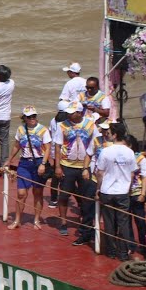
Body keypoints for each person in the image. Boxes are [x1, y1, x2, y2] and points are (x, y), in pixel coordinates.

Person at [54, 101, 97, 244]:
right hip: (67, 165)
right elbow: (58, 146)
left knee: (86, 197)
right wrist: (57, 167)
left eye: (72, 112)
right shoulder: (62, 126)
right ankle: (63, 222)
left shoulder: (91, 125)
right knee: (64, 195)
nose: (68, 114)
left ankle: (86, 224)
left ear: (79, 112)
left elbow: (96, 143)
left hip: (85, 166)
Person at [94, 122, 137, 260]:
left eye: (109, 132)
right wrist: (128, 189)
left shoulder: (106, 151)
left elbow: (100, 172)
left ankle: (111, 251)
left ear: (115, 135)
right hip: (123, 191)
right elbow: (131, 174)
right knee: (123, 222)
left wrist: (98, 189)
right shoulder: (129, 152)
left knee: (109, 222)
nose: (107, 134)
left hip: (107, 190)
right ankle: (123, 253)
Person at [4, 106, 50, 229]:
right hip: (24, 163)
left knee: (37, 192)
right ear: (24, 118)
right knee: (21, 193)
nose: (32, 119)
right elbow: (17, 146)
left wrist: (43, 164)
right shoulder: (20, 130)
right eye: (29, 117)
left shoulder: (43, 130)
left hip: (38, 162)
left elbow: (47, 149)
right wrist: (9, 160)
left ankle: (36, 220)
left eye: (34, 116)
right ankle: (17, 220)